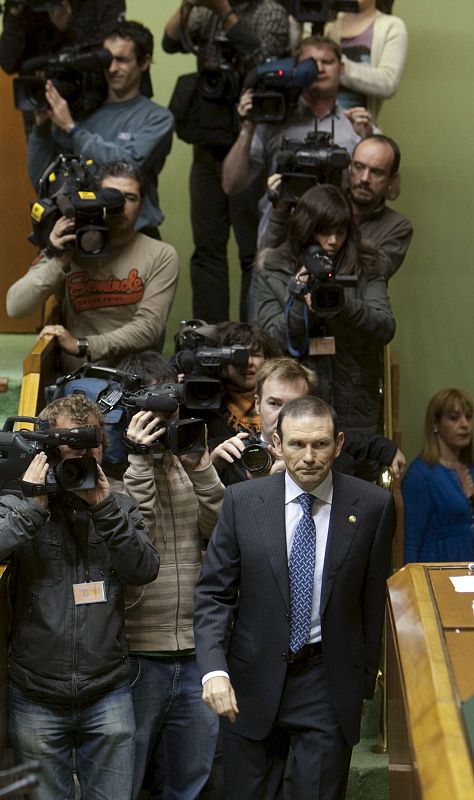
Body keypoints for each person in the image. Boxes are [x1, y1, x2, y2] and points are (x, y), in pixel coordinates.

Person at [194, 394, 396, 799]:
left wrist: (362, 680)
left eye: (320, 444)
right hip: (250, 681)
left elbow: (374, 601)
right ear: (276, 445)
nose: (309, 456)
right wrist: (214, 670)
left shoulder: (372, 505)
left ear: (338, 444)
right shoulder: (243, 502)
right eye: (297, 444)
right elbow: (214, 593)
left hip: (326, 679)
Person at [0, 394, 159, 800]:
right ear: (48, 451)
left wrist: (103, 509)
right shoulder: (19, 504)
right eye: (73, 448)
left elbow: (144, 569)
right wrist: (32, 505)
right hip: (35, 693)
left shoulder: (119, 504)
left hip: (107, 692)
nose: (84, 458)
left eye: (94, 447)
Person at [119, 351, 224, 799]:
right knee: (126, 781)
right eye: (154, 406)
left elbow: (220, 534)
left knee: (190, 782)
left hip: (197, 651)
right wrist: (138, 458)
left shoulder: (189, 459)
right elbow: (134, 540)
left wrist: (202, 469)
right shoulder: (107, 466)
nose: (166, 417)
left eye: (172, 404)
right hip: (139, 655)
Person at [162, 0, 289, 322]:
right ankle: (209, 336)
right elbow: (170, 41)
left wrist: (225, 13)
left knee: (252, 251)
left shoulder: (270, 11)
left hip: (250, 141)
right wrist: (188, 5)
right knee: (207, 249)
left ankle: (250, 338)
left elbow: (266, 60)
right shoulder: (203, 10)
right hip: (208, 138)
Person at [6, 160, 179, 371]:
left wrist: (83, 345)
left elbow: (148, 328)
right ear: (93, 198)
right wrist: (57, 259)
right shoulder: (68, 245)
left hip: (135, 378)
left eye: (130, 197)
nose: (120, 205)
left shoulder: (160, 254)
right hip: (78, 377)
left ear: (142, 205)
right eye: (111, 196)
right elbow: (15, 306)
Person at [252, 183, 395, 433]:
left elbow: (384, 327)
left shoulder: (366, 264)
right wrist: (298, 299)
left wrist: (340, 302)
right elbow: (270, 342)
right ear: (306, 229)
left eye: (340, 232)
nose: (333, 241)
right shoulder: (273, 266)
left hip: (354, 403)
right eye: (325, 232)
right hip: (293, 408)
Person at [27, 20, 174, 236]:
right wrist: (41, 127)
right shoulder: (82, 114)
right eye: (107, 59)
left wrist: (72, 129)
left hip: (134, 234)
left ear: (144, 62)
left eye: (122, 60)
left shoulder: (157, 118)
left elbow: (127, 165)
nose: (112, 68)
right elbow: (41, 178)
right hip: (83, 232)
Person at [222, 34, 374, 200]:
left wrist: (366, 139)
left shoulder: (357, 126)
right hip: (278, 222)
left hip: (334, 223)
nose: (319, 69)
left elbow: (388, 189)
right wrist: (247, 129)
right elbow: (231, 185)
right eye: (310, 64)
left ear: (342, 68)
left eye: (327, 62)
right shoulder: (273, 120)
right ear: (295, 68)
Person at [212, 355, 405, 484]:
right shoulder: (232, 455)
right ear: (257, 404)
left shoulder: (331, 459)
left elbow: (359, 443)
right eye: (274, 404)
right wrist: (212, 470)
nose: (283, 415)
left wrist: (389, 449)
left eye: (295, 405)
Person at [261, 134, 413, 277]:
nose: (365, 178)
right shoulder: (319, 206)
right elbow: (269, 260)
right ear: (349, 167)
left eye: (376, 172)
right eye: (359, 167)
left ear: (392, 179)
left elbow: (372, 276)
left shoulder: (397, 226)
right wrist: (280, 211)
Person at [402, 388, 474, 564]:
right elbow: (410, 542)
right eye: (454, 418)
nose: (465, 424)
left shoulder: (470, 468)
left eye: (469, 416)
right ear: (436, 423)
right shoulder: (421, 475)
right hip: (441, 573)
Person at [324, 0, 408, 123]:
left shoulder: (392, 26)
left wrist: (340, 67)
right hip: (314, 123)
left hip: (359, 130)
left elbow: (388, 83)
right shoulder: (326, 23)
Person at [0, 0, 125, 76]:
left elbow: (105, 59)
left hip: (90, 102)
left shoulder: (104, 3)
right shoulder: (25, 6)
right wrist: (14, 15)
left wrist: (67, 28)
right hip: (39, 102)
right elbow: (9, 65)